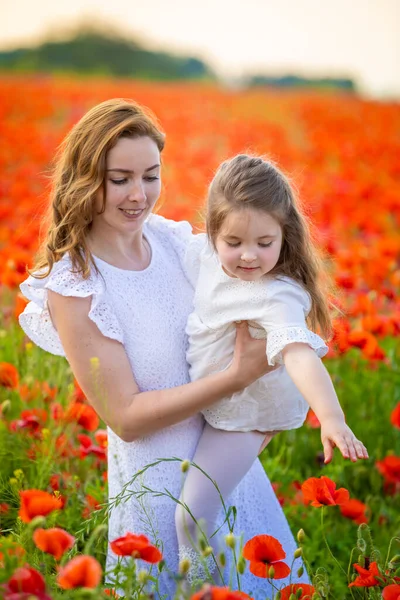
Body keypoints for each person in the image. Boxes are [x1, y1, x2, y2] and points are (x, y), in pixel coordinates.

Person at [18, 99, 310, 598]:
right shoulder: (76, 284)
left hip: (228, 479)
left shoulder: (178, 244)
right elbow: (126, 417)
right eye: (120, 179)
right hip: (154, 503)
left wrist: (263, 412)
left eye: (150, 175)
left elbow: (258, 309)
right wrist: (234, 378)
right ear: (87, 179)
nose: (139, 195)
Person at [175, 154, 369, 579]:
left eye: (265, 243)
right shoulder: (204, 253)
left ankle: (207, 591)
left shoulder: (276, 293)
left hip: (246, 414)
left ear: (285, 234)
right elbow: (161, 236)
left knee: (192, 516)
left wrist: (330, 416)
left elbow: (297, 352)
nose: (249, 256)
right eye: (234, 242)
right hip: (215, 397)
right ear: (212, 232)